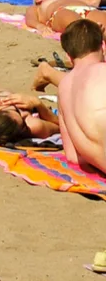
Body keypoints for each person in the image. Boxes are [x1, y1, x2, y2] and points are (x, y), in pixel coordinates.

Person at [58, 17, 106, 175]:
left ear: (68, 56)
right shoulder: (101, 71)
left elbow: (72, 156)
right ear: (103, 46)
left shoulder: (63, 87)